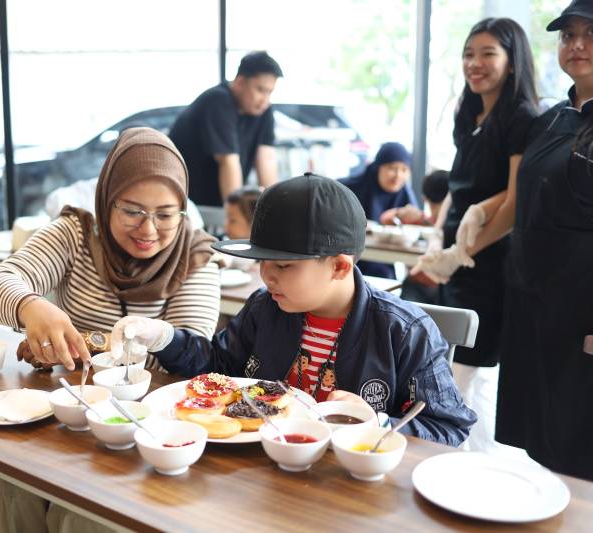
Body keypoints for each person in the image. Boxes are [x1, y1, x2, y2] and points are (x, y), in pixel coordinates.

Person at [111, 174, 477, 445]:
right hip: (265, 471)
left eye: (284, 266)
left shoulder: (405, 332)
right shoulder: (265, 308)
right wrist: (162, 336)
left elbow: (448, 428)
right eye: (262, 261)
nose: (266, 275)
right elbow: (218, 367)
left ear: (339, 266)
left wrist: (377, 423)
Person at [0, 127, 221, 531]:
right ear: (107, 199)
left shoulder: (195, 257)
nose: (148, 230)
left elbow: (191, 357)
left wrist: (81, 342)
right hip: (69, 418)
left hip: (146, 431)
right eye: (132, 212)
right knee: (13, 490)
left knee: (81, 519)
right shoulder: (75, 234)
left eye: (165, 215)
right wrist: (31, 307)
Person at [413, 18, 539, 454]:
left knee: (472, 375)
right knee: (451, 370)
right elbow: (457, 187)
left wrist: (461, 253)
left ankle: (479, 466)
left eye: (488, 54)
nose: (475, 63)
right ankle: (458, 460)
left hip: (491, 265)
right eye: (469, 54)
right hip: (459, 260)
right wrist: (438, 241)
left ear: (512, 60)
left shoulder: (522, 117)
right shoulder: (469, 114)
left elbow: (514, 203)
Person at [494, 1, 593, 480]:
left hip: (583, 311)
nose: (577, 45)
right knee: (540, 441)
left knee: (578, 446)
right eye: (568, 35)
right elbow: (520, 197)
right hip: (532, 301)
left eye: (590, 34)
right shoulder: (551, 119)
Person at [169, 51, 282, 207]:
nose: (265, 99)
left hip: (216, 204)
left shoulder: (263, 109)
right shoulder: (218, 101)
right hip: (186, 203)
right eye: (260, 90)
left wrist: (275, 210)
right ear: (240, 82)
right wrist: (238, 215)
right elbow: (228, 161)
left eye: (270, 92)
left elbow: (266, 158)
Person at [339, 142, 421, 279]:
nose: (398, 175)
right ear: (378, 167)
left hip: (384, 258)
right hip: (350, 258)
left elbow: (416, 225)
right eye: (392, 168)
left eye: (404, 170)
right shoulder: (348, 189)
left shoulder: (404, 192)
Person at [400, 170, 450, 304]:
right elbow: (386, 218)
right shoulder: (422, 220)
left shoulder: (427, 222)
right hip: (428, 287)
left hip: (431, 286)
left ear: (425, 199)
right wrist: (400, 213)